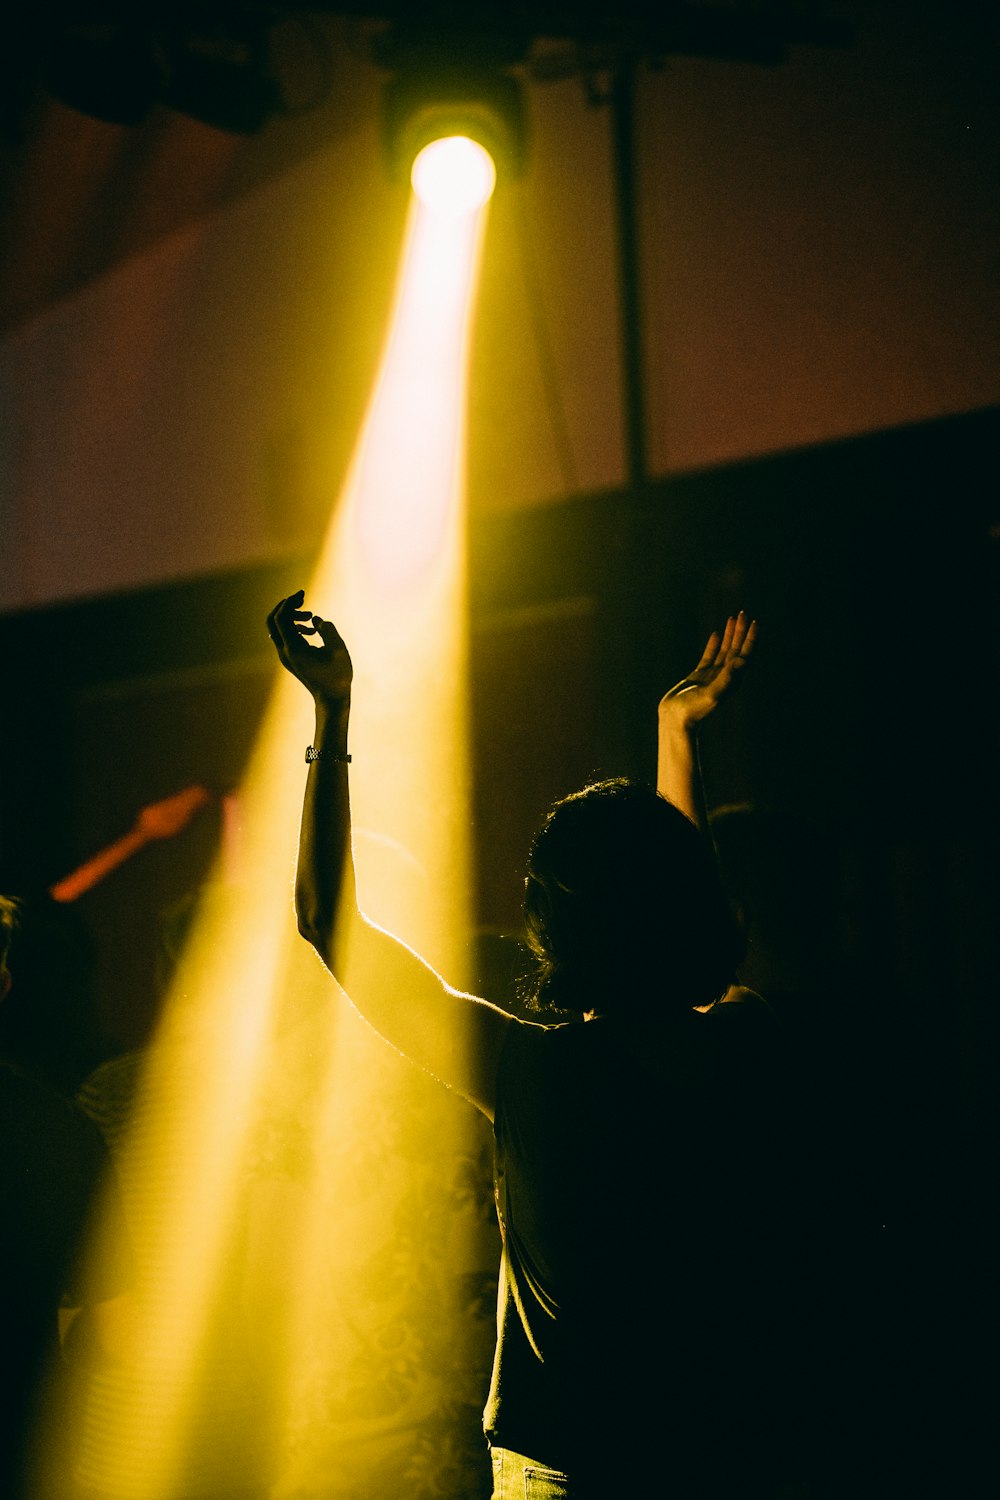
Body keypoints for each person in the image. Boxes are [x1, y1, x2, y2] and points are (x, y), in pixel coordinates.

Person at [269, 594, 799, 1497]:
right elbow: (680, 912)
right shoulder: (748, 1046)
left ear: (554, 924)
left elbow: (330, 924)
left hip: (567, 1465)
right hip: (727, 1449)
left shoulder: (537, 1071)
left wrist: (332, 713)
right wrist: (679, 739)